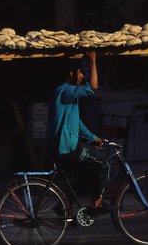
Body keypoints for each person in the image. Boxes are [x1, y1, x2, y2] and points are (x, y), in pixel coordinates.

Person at [47, 51, 110, 212]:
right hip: (68, 148)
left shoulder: (65, 94)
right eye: (81, 72)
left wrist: (93, 138)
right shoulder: (65, 90)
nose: (82, 76)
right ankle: (97, 204)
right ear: (71, 74)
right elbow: (92, 88)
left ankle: (64, 207)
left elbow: (78, 124)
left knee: (86, 175)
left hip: (61, 148)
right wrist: (93, 61)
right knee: (104, 163)